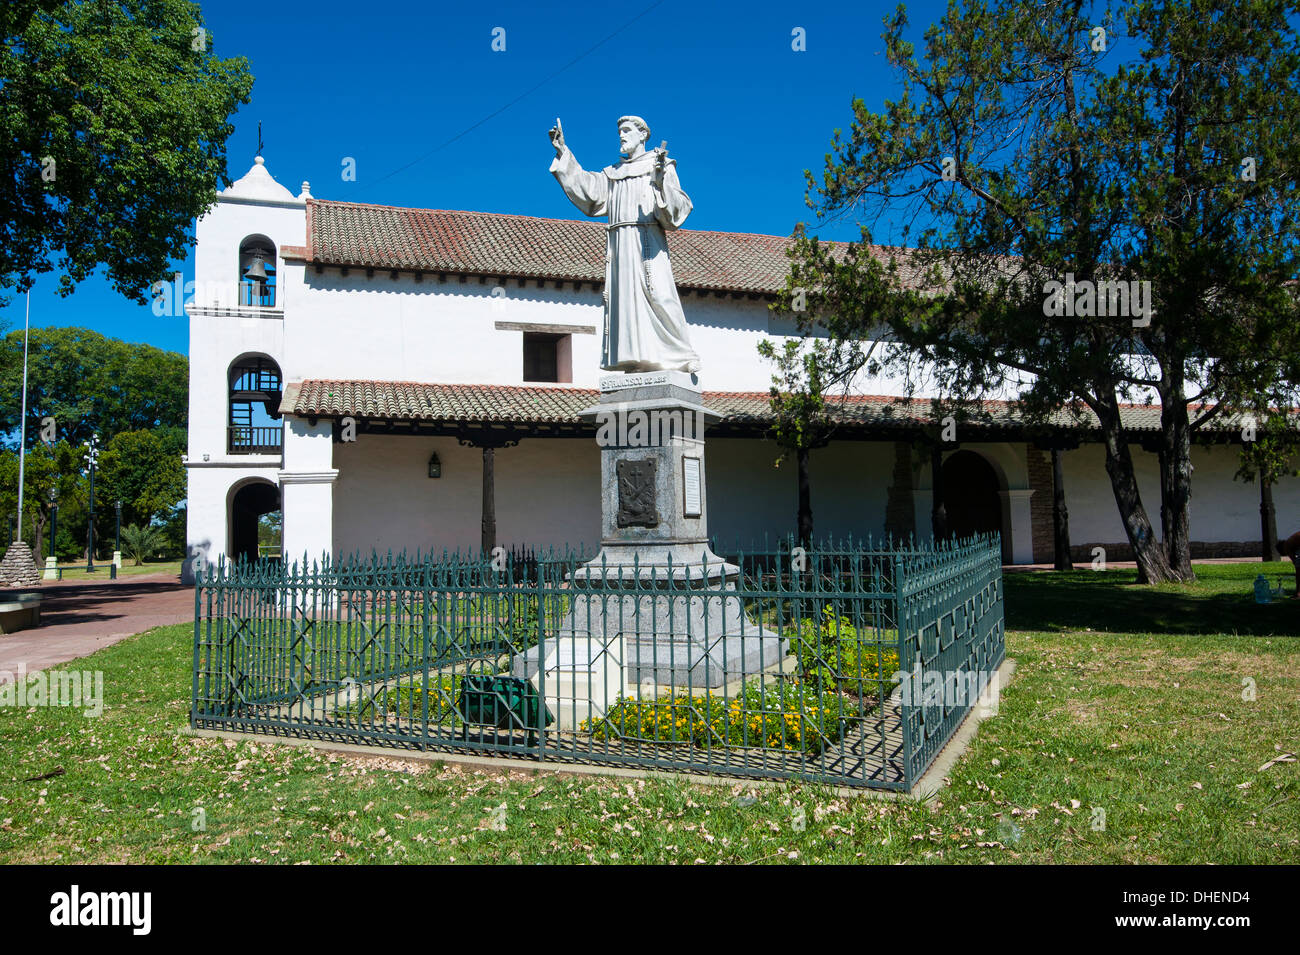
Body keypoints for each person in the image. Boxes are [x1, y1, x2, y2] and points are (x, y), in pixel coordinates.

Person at [548, 116, 702, 374]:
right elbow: (588, 191)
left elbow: (677, 211)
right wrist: (564, 151)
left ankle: (682, 354)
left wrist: (661, 180)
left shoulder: (660, 164)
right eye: (619, 131)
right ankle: (637, 358)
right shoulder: (613, 174)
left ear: (643, 135)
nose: (621, 136)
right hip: (620, 246)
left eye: (627, 130)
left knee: (661, 295)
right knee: (627, 301)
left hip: (648, 242)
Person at [1277, 530, 1300, 598]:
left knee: (1299, 573)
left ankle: (1298, 593)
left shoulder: (1286, 546)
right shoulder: (1291, 540)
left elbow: (1295, 561)